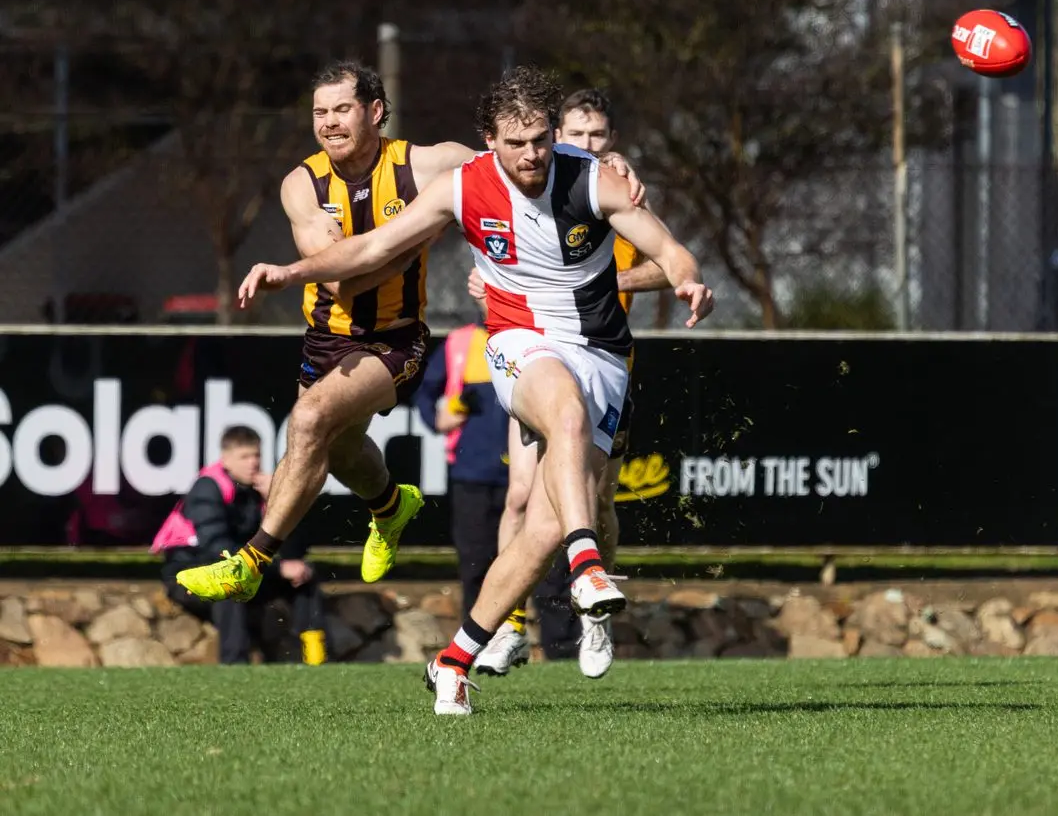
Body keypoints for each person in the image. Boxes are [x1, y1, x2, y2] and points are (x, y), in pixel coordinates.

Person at [235, 65, 714, 715]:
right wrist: (290, 271)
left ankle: (454, 658)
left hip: (602, 352)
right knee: (561, 418)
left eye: (541, 139)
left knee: (541, 524)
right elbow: (369, 248)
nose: (531, 155)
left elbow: (671, 250)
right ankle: (588, 565)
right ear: (489, 139)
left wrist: (687, 280)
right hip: (521, 343)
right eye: (515, 143)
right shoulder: (461, 188)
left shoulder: (594, 178)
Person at [174, 62, 648, 607]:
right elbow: (339, 274)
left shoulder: (429, 165)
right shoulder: (301, 185)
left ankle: (252, 561)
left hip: (396, 340)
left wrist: (605, 165)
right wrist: (413, 239)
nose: (328, 122)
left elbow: (526, 164)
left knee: (307, 422)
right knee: (340, 445)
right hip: (326, 336)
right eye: (319, 112)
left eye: (341, 109)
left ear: (375, 111)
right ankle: (389, 505)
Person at [473, 88, 672, 680]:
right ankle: (508, 629)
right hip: (537, 357)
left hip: (604, 364)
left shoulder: (614, 189)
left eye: (598, 135)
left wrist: (609, 283)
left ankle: (595, 615)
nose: (587, 145)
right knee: (519, 497)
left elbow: (669, 262)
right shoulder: (519, 184)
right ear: (553, 133)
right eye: (577, 134)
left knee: (597, 500)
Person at [154, 426, 327, 665]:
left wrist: (277, 502)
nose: (253, 463)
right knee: (228, 586)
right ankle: (235, 666)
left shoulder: (257, 491)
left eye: (257, 455)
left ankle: (316, 658)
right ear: (225, 460)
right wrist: (278, 569)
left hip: (242, 567)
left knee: (305, 575)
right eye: (244, 457)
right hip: (188, 576)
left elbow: (292, 554)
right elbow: (219, 552)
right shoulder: (207, 488)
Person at [411, 308, 512, 628]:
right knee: (475, 563)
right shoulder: (461, 343)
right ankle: (475, 641)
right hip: (472, 474)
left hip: (527, 475)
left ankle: (558, 650)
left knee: (538, 565)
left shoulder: (531, 333)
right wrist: (437, 418)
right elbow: (423, 389)